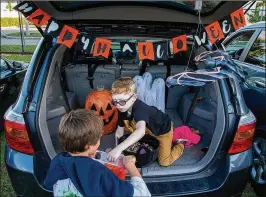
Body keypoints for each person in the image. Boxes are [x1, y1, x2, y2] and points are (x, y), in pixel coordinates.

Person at [43, 109, 151, 197]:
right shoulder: (100, 174)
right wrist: (130, 165)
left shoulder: (57, 163)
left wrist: (92, 157)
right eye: (99, 138)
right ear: (88, 146)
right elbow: (142, 194)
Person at [108, 77, 184, 167]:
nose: (118, 106)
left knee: (164, 162)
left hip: (162, 131)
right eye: (114, 101)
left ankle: (180, 145)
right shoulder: (121, 108)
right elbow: (119, 132)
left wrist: (119, 149)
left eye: (122, 102)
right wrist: (117, 149)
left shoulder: (140, 109)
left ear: (134, 97)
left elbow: (140, 131)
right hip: (147, 130)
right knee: (135, 144)